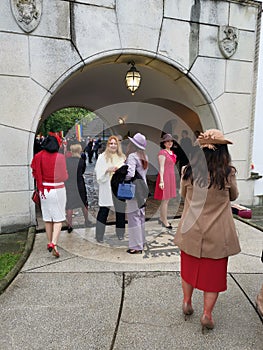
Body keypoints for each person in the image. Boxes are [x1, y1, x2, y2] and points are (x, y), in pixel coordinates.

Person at [173, 129, 241, 332]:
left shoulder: (188, 170)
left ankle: (187, 302)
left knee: (189, 269)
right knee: (213, 275)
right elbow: (234, 197)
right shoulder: (227, 173)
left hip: (191, 229)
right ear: (223, 152)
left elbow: (183, 194)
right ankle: (207, 314)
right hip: (218, 233)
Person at [31, 132, 68, 258]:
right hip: (58, 190)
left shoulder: (38, 156)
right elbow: (64, 176)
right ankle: (53, 242)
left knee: (47, 218)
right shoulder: (60, 157)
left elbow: (34, 172)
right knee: (58, 218)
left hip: (44, 191)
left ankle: (51, 243)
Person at [95, 136, 126, 242]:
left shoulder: (122, 157)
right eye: (111, 143)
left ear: (118, 145)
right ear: (108, 145)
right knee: (104, 211)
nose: (113, 145)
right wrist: (107, 170)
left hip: (118, 187)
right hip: (107, 186)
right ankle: (99, 235)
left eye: (115, 143)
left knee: (120, 211)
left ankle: (120, 233)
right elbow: (98, 174)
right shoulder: (102, 157)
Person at [125, 133, 149, 254]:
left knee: (133, 217)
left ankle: (136, 246)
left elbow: (130, 174)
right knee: (140, 216)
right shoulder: (144, 156)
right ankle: (141, 241)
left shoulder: (132, 156)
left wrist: (121, 176)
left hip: (134, 190)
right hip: (143, 190)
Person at [65, 143, 91, 233]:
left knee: (70, 205)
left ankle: (69, 225)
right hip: (79, 183)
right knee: (84, 203)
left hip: (69, 183)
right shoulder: (81, 161)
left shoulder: (67, 161)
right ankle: (87, 220)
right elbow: (83, 171)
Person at [154, 133, 177, 229]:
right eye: (167, 141)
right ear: (164, 143)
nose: (169, 143)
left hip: (171, 177)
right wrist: (162, 181)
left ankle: (161, 217)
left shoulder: (172, 153)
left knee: (167, 199)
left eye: (171, 141)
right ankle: (165, 220)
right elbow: (161, 167)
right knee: (165, 200)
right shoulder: (162, 153)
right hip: (165, 177)